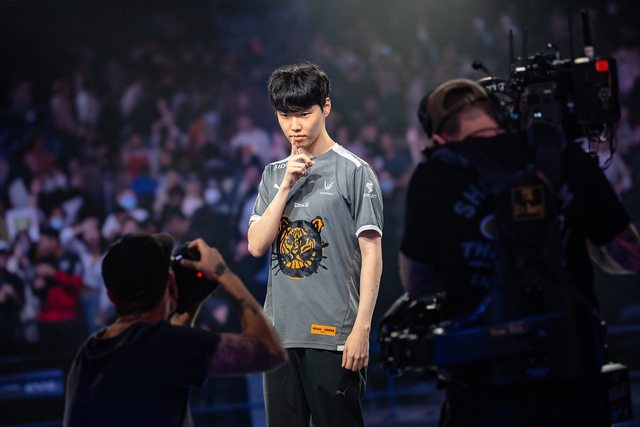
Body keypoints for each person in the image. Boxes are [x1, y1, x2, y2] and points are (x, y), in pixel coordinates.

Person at [399, 78, 640, 426]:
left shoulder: (432, 176)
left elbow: (417, 284)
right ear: (497, 115)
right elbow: (630, 255)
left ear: (438, 139)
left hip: (483, 391)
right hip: (574, 381)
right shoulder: (563, 154)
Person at [247, 62, 383, 427]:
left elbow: (372, 254)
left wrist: (362, 329)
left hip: (333, 336)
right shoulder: (273, 174)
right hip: (279, 337)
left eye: (304, 114)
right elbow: (256, 245)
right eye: (284, 116)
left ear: (325, 107)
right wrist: (285, 187)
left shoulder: (355, 171)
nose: (294, 126)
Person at [63, 233, 286, 427]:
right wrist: (223, 273)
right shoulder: (167, 344)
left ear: (111, 296)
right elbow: (269, 351)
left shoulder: (90, 352)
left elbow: (164, 364)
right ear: (170, 282)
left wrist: (190, 302)